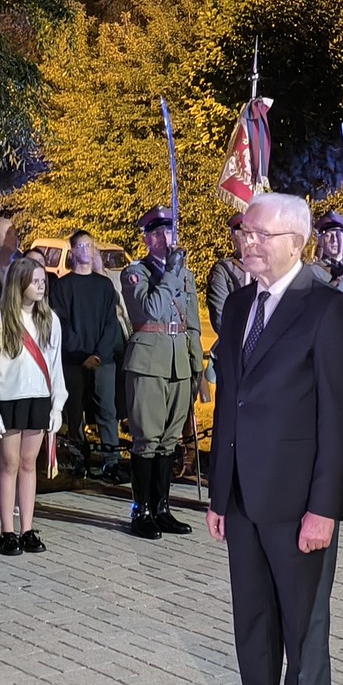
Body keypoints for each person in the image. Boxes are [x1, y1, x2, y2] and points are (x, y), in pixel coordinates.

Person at [196, 192, 343, 685]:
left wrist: (325, 507)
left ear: (296, 241)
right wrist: (219, 493)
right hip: (242, 497)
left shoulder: (328, 309)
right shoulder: (240, 304)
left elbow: (340, 419)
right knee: (253, 622)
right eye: (245, 232)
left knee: (302, 628)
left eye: (261, 234)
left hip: (298, 505)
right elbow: (231, 404)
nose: (249, 242)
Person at [120, 208, 202, 540]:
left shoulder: (185, 275)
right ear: (148, 239)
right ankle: (140, 511)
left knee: (170, 440)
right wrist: (170, 272)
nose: (166, 238)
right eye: (158, 233)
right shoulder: (135, 273)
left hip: (178, 361)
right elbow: (151, 310)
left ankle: (161, 508)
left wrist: (196, 363)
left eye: (170, 231)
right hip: (148, 362)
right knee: (147, 439)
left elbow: (192, 323)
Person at [0, 255, 67, 555]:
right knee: (8, 464)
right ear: (19, 284)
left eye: (43, 281)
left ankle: (28, 528)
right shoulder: (1, 320)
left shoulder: (50, 320)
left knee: (29, 464)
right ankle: (7, 530)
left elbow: (55, 365)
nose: (41, 286)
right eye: (35, 282)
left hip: (39, 397)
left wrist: (57, 405)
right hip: (9, 398)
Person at [51, 231, 125, 480]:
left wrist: (99, 354)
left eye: (89, 246)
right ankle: (77, 458)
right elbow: (61, 322)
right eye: (81, 246)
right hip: (74, 360)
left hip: (103, 360)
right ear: (72, 251)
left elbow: (111, 322)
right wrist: (82, 354)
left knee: (107, 411)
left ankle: (111, 460)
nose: (86, 250)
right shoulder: (63, 286)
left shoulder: (104, 285)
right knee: (75, 412)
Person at [204, 216, 249, 332]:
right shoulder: (224, 270)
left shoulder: (269, 269)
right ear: (233, 237)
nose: (248, 239)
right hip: (236, 339)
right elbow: (220, 318)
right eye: (243, 234)